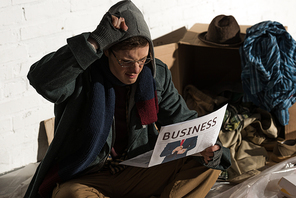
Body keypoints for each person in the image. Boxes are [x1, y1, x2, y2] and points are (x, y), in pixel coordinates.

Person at [24, 1, 231, 197]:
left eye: (143, 59)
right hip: (90, 176)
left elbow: (183, 122)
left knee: (208, 165)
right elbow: (42, 81)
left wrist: (209, 148)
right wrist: (94, 40)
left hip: (138, 170)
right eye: (126, 61)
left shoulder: (155, 74)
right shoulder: (82, 73)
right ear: (107, 51)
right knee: (71, 195)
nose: (136, 70)